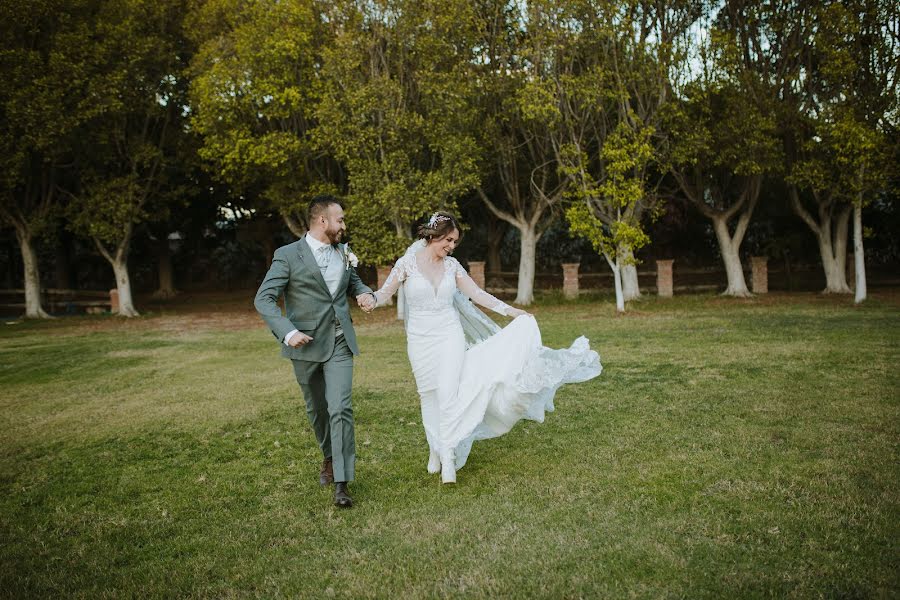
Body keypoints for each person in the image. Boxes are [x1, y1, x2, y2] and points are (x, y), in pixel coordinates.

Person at [363, 211, 602, 483]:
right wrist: (371, 298)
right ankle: (435, 449)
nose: (451, 247)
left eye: (454, 242)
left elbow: (477, 295)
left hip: (448, 336)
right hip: (419, 340)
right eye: (448, 240)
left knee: (447, 393)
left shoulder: (452, 267)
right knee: (427, 395)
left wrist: (512, 312)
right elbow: (385, 292)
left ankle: (449, 457)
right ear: (434, 235)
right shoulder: (406, 264)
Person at [254, 195, 373, 508]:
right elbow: (264, 299)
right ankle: (329, 457)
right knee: (318, 410)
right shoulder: (288, 255)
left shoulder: (344, 253)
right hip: (305, 344)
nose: (344, 226)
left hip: (340, 342)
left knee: (341, 408)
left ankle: (342, 483)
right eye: (340, 220)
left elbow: (354, 283)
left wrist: (364, 294)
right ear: (323, 222)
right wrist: (288, 332)